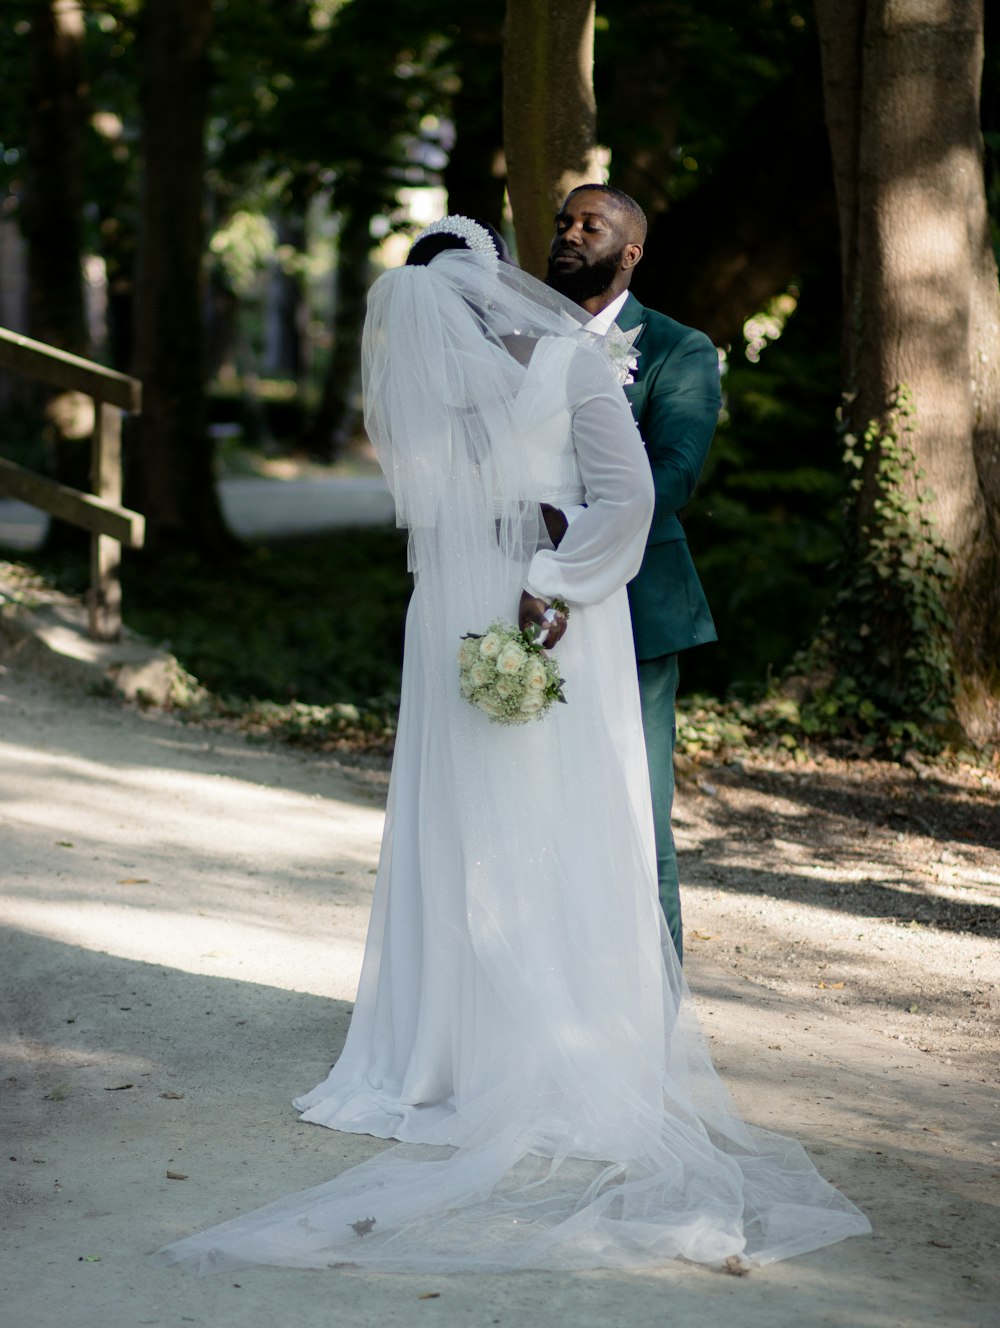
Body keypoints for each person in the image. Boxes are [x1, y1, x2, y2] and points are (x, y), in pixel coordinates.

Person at [152, 217, 869, 1276]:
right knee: (556, 814)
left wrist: (534, 576)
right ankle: (553, 1044)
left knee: (470, 819)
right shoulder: (569, 363)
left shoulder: (423, 393)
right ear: (495, 282)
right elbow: (621, 498)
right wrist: (557, 584)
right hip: (554, 608)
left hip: (456, 616)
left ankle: (439, 1053)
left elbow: (460, 512)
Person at [546, 184, 720, 964]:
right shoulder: (519, 338)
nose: (571, 234)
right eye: (564, 223)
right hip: (524, 600)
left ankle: (657, 1008)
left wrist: (570, 524)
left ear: (631, 251)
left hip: (635, 602)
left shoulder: (679, 349)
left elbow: (673, 476)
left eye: (592, 224)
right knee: (534, 808)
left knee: (636, 812)